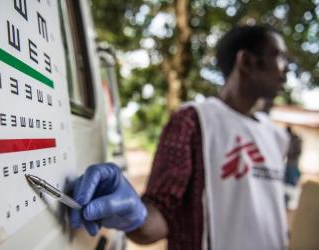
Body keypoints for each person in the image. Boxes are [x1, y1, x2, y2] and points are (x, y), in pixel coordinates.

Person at [69, 25, 290, 250]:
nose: (287, 68)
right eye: (279, 56)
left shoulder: (277, 137)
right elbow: (162, 216)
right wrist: (136, 214)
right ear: (246, 62)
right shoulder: (193, 121)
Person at [284, 126, 302, 209]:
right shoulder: (291, 138)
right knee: (288, 177)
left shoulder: (297, 139)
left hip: (294, 160)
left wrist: (292, 158)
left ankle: (292, 198)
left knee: (292, 178)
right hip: (290, 159)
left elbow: (298, 151)